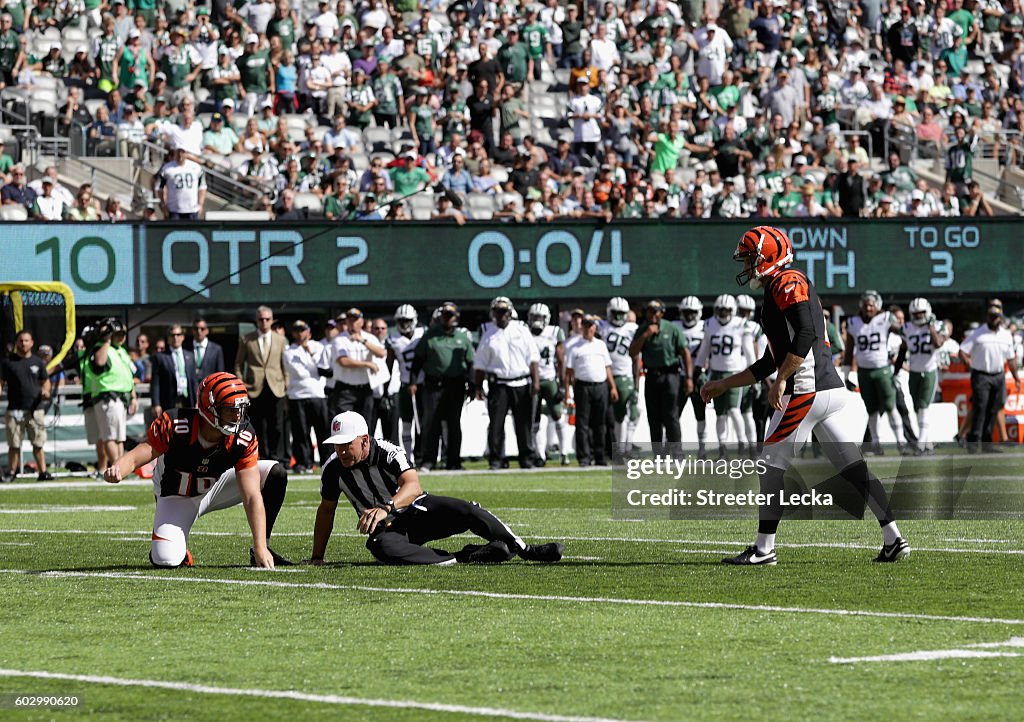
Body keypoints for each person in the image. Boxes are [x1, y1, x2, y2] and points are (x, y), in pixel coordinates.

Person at [702, 226, 910, 565]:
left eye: (750, 260)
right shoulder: (775, 288)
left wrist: (782, 380)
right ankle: (894, 537)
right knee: (853, 467)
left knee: (770, 465)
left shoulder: (787, 281)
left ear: (768, 257)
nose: (745, 268)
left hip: (806, 389)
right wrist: (725, 384)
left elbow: (806, 333)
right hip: (828, 390)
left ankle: (764, 548)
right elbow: (772, 358)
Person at [308, 411, 563, 566]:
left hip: (417, 511)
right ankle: (465, 557)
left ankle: (526, 550)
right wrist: (317, 556)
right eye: (336, 445)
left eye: (346, 444)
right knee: (380, 548)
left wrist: (387, 507)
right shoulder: (333, 468)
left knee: (468, 509)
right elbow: (327, 510)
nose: (340, 450)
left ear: (364, 440)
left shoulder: (388, 451)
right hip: (390, 530)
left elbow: (413, 485)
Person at [103, 372, 291, 569]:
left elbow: (252, 495)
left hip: (217, 484)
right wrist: (118, 469)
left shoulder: (243, 436)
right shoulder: (176, 426)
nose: (238, 416)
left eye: (240, 409)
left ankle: (261, 549)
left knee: (275, 473)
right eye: (230, 410)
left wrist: (260, 546)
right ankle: (180, 550)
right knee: (166, 559)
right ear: (210, 409)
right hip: (178, 496)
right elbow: (137, 455)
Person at [474, 296, 541, 470]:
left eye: (504, 311)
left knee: (523, 425)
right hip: (499, 385)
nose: (501, 315)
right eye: (497, 311)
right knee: (496, 424)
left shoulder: (521, 330)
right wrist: (478, 385)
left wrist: (536, 381)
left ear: (510, 312)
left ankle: (526, 458)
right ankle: (496, 459)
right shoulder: (488, 334)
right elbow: (480, 363)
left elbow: (533, 357)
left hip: (521, 382)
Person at [410, 302, 474, 472]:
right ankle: (429, 460)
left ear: (456, 317)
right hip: (433, 385)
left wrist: (473, 385)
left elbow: (470, 362)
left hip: (455, 385)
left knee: (454, 424)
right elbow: (418, 361)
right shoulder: (430, 336)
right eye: (445, 315)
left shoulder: (463, 337)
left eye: (451, 315)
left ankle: (453, 461)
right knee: (431, 423)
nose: (448, 318)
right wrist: (413, 382)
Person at [843, 291, 909, 455]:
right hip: (864, 372)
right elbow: (849, 351)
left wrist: (904, 340)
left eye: (872, 305)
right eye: (866, 305)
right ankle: (876, 444)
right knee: (871, 409)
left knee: (890, 406)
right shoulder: (853, 322)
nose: (868, 308)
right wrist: (846, 375)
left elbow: (901, 332)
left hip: (882, 370)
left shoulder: (886, 318)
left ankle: (901, 442)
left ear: (877, 306)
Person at [695, 294, 757, 459]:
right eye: (720, 310)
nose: (722, 313)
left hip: (735, 373)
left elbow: (750, 354)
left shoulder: (741, 325)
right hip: (715, 373)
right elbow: (704, 351)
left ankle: (742, 446)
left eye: (726, 310)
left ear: (733, 310)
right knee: (720, 414)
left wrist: (756, 377)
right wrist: (697, 369)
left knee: (735, 410)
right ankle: (723, 449)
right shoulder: (709, 324)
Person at [628, 300, 693, 446]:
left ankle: (676, 452)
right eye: (649, 311)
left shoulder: (671, 328)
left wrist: (689, 377)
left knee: (671, 415)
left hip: (670, 375)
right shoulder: (642, 329)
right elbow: (632, 352)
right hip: (651, 375)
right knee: (653, 416)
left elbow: (685, 353)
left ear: (661, 313)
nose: (651, 314)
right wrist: (645, 335)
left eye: (655, 311)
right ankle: (659, 453)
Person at [960, 300, 1021, 453]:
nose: (993, 319)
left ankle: (987, 443)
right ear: (987, 317)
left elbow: (1011, 358)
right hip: (981, 375)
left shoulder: (1006, 335)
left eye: (996, 316)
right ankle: (973, 441)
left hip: (998, 375)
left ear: (1000, 317)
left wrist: (1016, 377)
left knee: (994, 408)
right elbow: (963, 350)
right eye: (991, 316)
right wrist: (968, 362)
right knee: (980, 407)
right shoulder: (979, 333)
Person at [235, 305, 288, 466]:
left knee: (277, 425)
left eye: (267, 319)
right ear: (256, 321)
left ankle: (277, 457)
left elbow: (285, 364)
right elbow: (238, 363)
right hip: (254, 387)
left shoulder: (280, 339)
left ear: (272, 320)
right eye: (260, 319)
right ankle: (260, 456)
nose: (264, 322)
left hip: (276, 386)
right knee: (258, 424)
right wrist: (241, 384)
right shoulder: (247, 338)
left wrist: (286, 383)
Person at [564, 314, 618, 466]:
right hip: (583, 386)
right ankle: (584, 457)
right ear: (582, 327)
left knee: (600, 423)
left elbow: (607, 367)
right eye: (586, 325)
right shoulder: (574, 346)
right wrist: (567, 391)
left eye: (591, 325)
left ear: (595, 328)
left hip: (600, 386)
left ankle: (600, 456)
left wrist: (612, 386)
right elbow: (568, 371)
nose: (588, 329)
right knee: (582, 423)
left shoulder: (600, 345)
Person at [88, 317, 139, 474]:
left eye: (124, 333)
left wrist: (134, 396)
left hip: (122, 398)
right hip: (107, 397)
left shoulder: (122, 351)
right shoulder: (101, 348)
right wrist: (106, 340)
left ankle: (120, 468)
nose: (122, 336)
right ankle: (117, 469)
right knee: (110, 436)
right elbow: (100, 362)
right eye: (118, 333)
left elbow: (128, 376)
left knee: (120, 437)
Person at [1, 331, 53, 482]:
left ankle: (43, 472)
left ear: (32, 342)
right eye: (21, 341)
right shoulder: (8, 362)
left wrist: (46, 391)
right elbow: (1, 382)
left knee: (38, 442)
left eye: (26, 340)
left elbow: (45, 381)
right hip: (15, 408)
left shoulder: (38, 362)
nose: (23, 343)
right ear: (17, 343)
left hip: (35, 409)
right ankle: (11, 472)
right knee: (14, 444)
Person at [282, 320, 329, 473]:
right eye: (297, 330)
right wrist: (313, 364)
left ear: (309, 332)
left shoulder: (318, 346)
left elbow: (323, 368)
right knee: (301, 432)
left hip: (317, 394)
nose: (300, 333)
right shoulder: (289, 351)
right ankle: (305, 462)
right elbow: (300, 373)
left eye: (302, 329)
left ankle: (327, 461)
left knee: (322, 431)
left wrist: (310, 354)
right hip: (298, 395)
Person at [527, 303, 570, 466]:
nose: (536, 321)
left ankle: (564, 453)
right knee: (535, 420)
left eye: (540, 318)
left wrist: (561, 385)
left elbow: (560, 360)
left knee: (558, 415)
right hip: (532, 380)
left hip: (550, 379)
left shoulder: (554, 332)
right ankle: (539, 455)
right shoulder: (524, 332)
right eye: (534, 317)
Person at [904, 298, 949, 454]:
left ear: (928, 311)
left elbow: (937, 343)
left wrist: (930, 327)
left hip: (929, 370)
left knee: (924, 406)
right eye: (915, 314)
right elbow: (904, 348)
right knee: (917, 408)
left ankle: (921, 444)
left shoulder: (937, 325)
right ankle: (927, 442)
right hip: (914, 371)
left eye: (921, 313)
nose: (918, 316)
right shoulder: (908, 327)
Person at [327, 307, 386, 424]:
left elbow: (382, 353)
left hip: (365, 388)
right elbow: (343, 361)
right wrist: (367, 364)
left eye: (355, 320)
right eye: (349, 320)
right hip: (345, 390)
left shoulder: (369, 338)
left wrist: (362, 341)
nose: (351, 323)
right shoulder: (339, 339)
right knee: (344, 426)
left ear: (362, 322)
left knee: (365, 426)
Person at [601, 297, 640, 452]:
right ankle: (615, 448)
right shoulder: (601, 326)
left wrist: (636, 384)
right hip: (604, 376)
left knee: (630, 413)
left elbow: (637, 357)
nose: (618, 317)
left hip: (625, 376)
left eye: (621, 314)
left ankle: (625, 447)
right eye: (615, 313)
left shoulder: (633, 329)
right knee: (610, 416)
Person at [389, 304, 424, 465]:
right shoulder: (393, 339)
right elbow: (389, 364)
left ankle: (421, 455)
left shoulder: (422, 334)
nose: (404, 324)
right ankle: (408, 457)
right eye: (401, 321)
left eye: (407, 321)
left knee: (423, 423)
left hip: (423, 385)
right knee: (407, 423)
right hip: (404, 385)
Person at [675, 296, 709, 458]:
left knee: (700, 414)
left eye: (692, 312)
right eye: (686, 312)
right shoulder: (674, 327)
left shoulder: (706, 326)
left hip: (699, 376)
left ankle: (702, 449)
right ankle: (676, 449)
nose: (689, 316)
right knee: (674, 415)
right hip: (679, 376)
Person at [150, 324, 197, 418]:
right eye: (172, 335)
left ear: (183, 337)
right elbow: (155, 382)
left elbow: (193, 380)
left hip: (187, 400)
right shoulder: (160, 357)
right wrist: (156, 403)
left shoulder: (190, 355)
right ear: (168, 338)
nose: (175, 338)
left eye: (178, 335)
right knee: (171, 428)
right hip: (169, 399)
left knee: (189, 427)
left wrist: (197, 401)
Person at [154, 143, 207, 220]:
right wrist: (163, 205)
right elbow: (159, 187)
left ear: (186, 153)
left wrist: (201, 204)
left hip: (192, 209)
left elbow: (202, 187)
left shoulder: (196, 168)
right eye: (178, 152)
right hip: (174, 209)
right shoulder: (167, 168)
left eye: (183, 152)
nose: (180, 155)